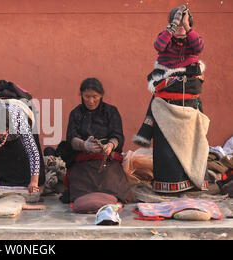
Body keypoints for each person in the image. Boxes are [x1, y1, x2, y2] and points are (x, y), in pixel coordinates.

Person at [133, 6, 209, 193]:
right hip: (166, 106)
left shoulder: (193, 39)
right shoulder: (166, 37)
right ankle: (169, 184)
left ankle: (191, 182)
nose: (181, 27)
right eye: (178, 22)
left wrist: (186, 26)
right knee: (167, 150)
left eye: (185, 22)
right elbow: (158, 46)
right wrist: (173, 26)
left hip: (189, 103)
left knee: (192, 146)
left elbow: (199, 47)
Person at [64, 78, 135, 206]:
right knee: (80, 185)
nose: (91, 101)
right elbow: (71, 138)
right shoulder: (76, 113)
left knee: (113, 183)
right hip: (84, 160)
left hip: (107, 159)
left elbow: (117, 135)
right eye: (87, 97)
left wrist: (110, 145)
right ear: (81, 95)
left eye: (95, 97)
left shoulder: (111, 111)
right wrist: (85, 145)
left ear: (101, 95)